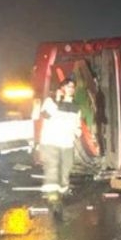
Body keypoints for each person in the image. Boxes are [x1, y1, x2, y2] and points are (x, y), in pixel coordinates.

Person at [40, 78, 81, 218]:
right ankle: (53, 199)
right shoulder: (50, 101)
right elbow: (45, 115)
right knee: (52, 169)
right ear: (61, 88)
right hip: (51, 142)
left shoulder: (76, 106)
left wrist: (77, 132)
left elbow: (76, 124)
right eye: (68, 86)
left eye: (73, 86)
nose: (71, 89)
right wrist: (57, 101)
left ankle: (62, 193)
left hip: (67, 143)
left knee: (66, 170)